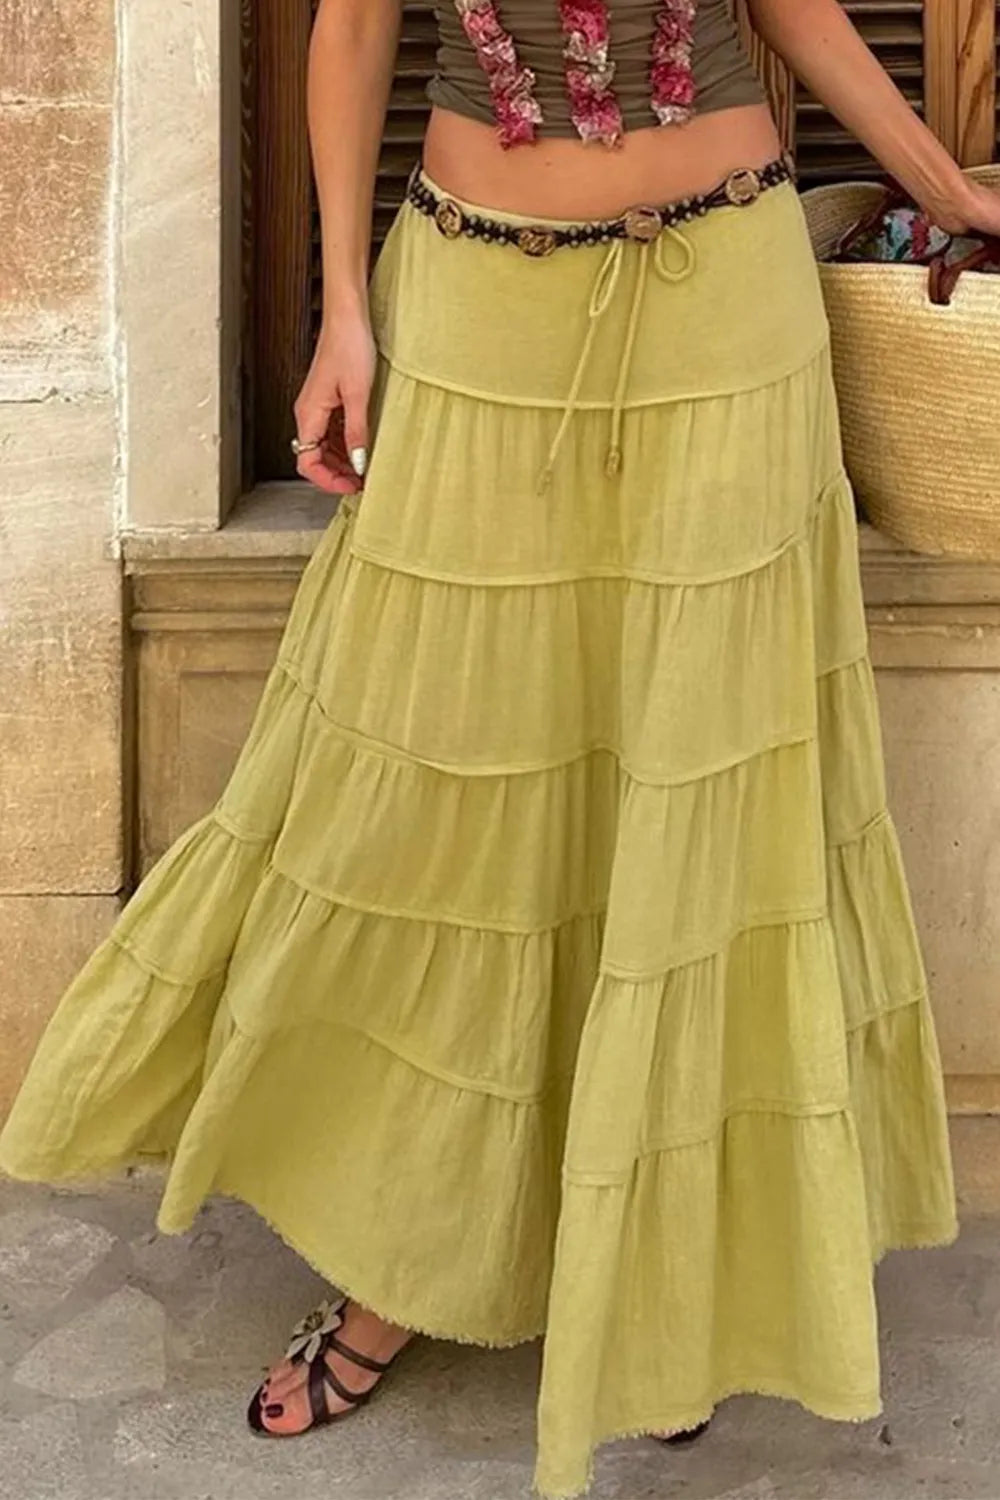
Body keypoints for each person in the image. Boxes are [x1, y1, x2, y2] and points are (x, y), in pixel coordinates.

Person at [2, 0, 992, 1494]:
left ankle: (663, 1284)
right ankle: (406, 1258)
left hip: (729, 304)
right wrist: (344, 311)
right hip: (477, 299)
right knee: (438, 795)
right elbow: (351, 32)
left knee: (698, 782)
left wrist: (945, 185)